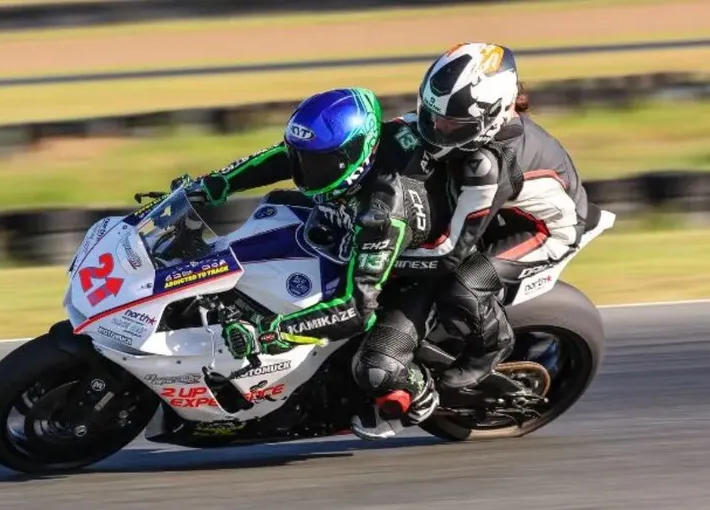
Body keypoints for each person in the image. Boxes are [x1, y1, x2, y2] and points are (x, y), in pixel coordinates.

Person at [349, 41, 593, 440]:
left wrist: (381, 261)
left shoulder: (491, 162)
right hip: (499, 211)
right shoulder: (457, 127)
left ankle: (487, 352)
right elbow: (398, 138)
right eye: (433, 116)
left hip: (544, 230)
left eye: (452, 126)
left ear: (491, 118)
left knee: (464, 283)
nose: (438, 129)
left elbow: (450, 252)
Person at [178, 87, 444, 430]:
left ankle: (418, 386)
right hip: (345, 233)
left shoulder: (382, 212)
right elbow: (280, 158)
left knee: (376, 369)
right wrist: (215, 184)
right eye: (303, 158)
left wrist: (275, 333)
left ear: (356, 154)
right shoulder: (341, 161)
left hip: (408, 275)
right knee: (277, 207)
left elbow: (357, 308)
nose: (306, 170)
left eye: (318, 163)